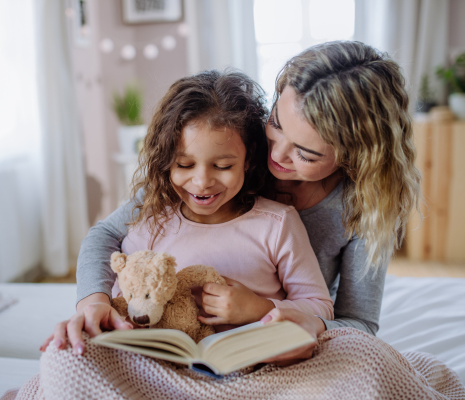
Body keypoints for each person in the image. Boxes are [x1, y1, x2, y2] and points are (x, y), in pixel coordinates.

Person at [41, 41, 420, 364]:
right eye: (277, 123)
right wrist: (93, 302)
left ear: (357, 156)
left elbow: (359, 325)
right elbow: (108, 234)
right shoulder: (230, 146)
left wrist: (275, 314)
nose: (278, 156)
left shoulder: (361, 210)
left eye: (305, 153)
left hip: (275, 338)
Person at [41, 69, 334, 354]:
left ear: (248, 159)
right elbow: (105, 250)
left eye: (223, 166)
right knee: (63, 354)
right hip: (152, 362)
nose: (202, 181)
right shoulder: (152, 212)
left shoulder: (277, 224)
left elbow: (320, 306)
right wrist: (95, 305)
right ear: (166, 160)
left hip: (241, 364)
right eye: (184, 165)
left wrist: (260, 308)